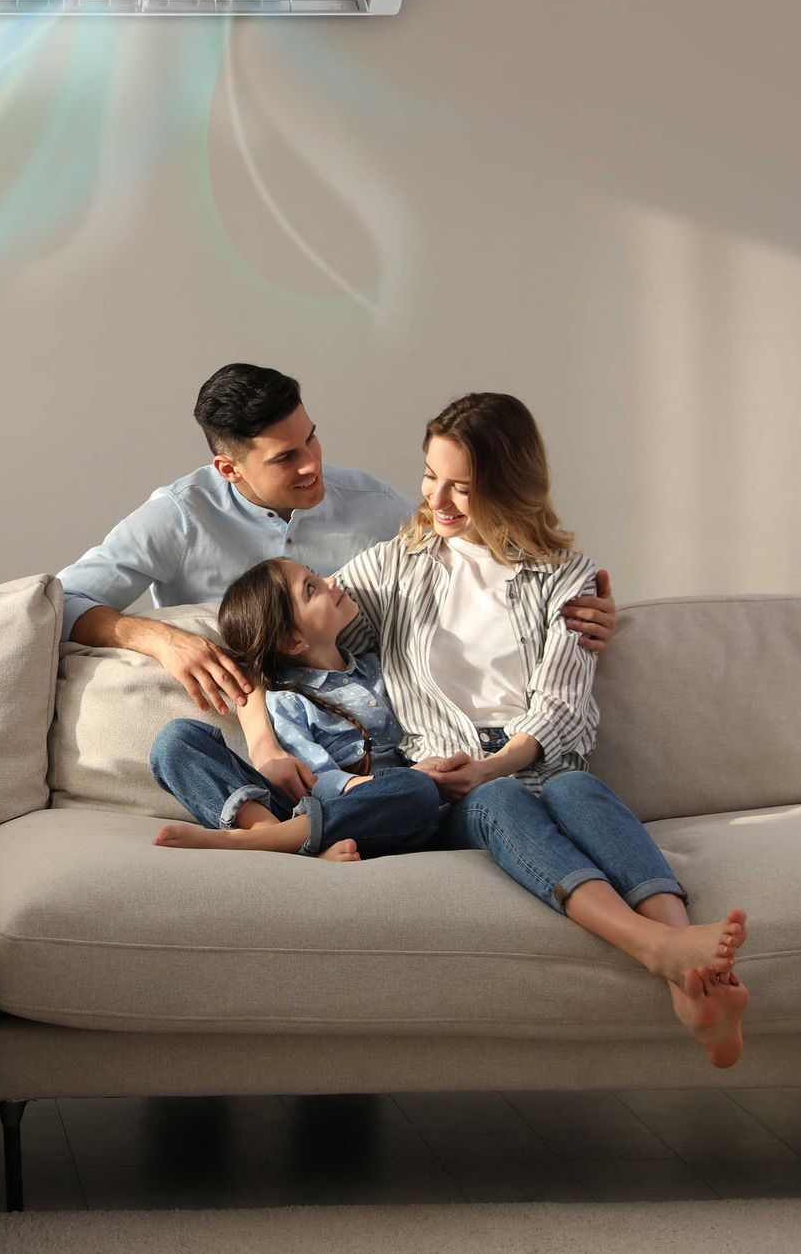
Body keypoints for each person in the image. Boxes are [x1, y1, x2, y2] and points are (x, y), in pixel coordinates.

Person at [318, 392, 750, 1067]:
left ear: (510, 486)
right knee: (500, 799)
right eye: (432, 476)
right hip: (451, 780)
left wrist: (499, 761)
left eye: (464, 486)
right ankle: (656, 948)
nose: (440, 500)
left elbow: (563, 703)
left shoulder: (566, 578)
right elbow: (293, 628)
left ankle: (695, 981)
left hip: (538, 759)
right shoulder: (389, 568)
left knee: (576, 789)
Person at [55, 364, 621, 799]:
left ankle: (334, 820)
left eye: (312, 439)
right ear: (229, 469)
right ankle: (281, 828)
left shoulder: (374, 506)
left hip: (378, 751)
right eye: (285, 458)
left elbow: (481, 563)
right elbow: (58, 602)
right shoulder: (177, 517)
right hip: (260, 730)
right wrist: (160, 637)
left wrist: (578, 610)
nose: (312, 465)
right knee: (179, 745)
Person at [148, 558, 446, 862]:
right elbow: (315, 782)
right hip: (311, 807)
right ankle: (271, 834)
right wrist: (374, 784)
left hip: (377, 817)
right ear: (292, 641)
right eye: (310, 588)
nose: (331, 581)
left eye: (315, 576)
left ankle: (278, 843)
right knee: (176, 740)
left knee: (416, 790)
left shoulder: (381, 667)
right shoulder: (289, 698)